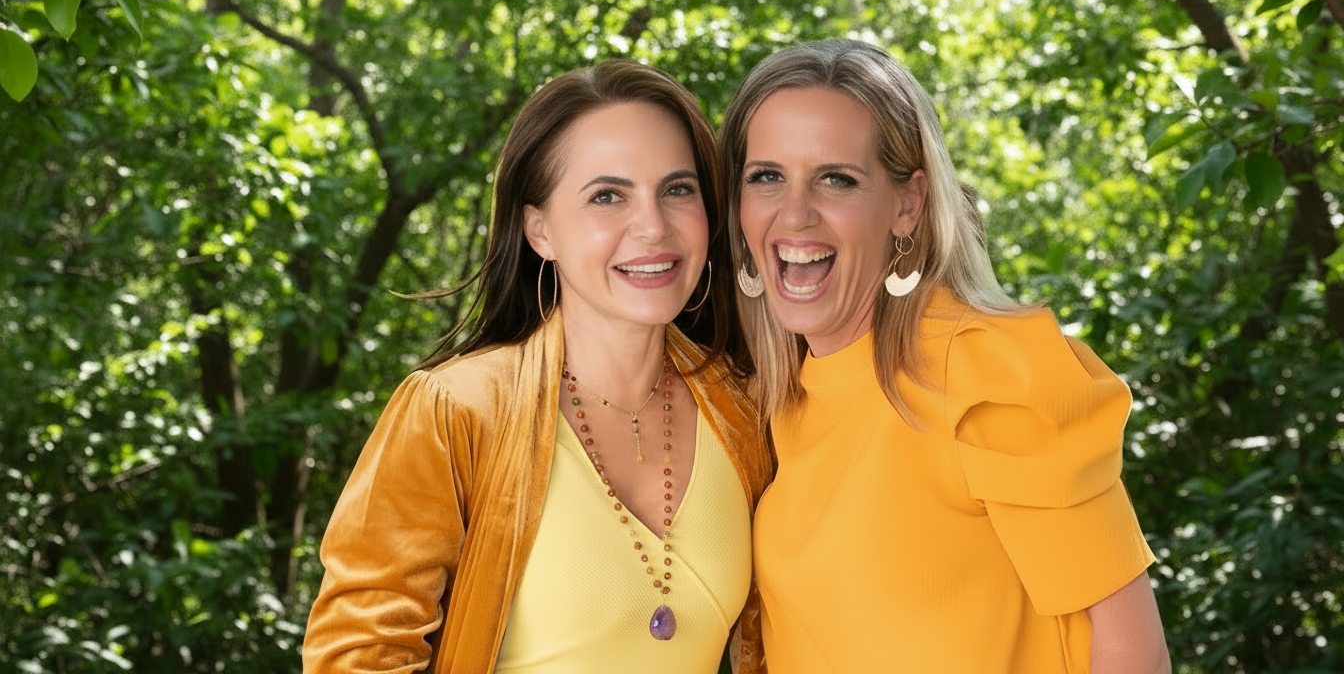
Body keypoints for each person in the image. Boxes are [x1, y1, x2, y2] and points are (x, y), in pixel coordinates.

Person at [302, 60, 771, 674]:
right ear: (540, 230)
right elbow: (357, 657)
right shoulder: (454, 411)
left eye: (678, 189)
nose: (653, 226)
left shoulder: (745, 407)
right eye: (608, 195)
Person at [719, 39, 1170, 673]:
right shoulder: (771, 400)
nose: (794, 213)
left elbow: (1134, 654)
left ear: (908, 204)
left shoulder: (985, 367)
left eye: (836, 179)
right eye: (766, 177)